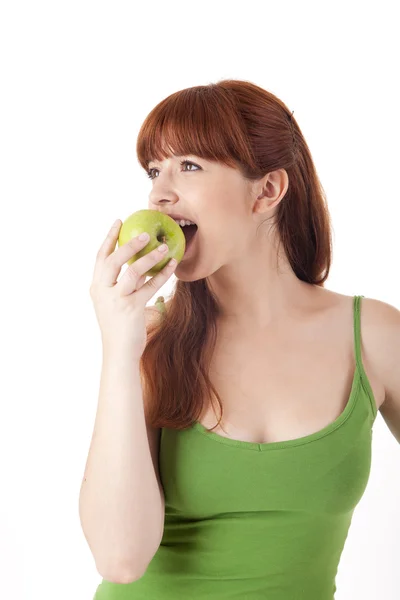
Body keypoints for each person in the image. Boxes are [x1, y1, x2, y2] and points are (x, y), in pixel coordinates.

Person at [82, 79, 400, 599]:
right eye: (153, 171)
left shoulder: (374, 337)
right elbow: (120, 558)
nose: (159, 193)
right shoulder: (150, 340)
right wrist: (120, 346)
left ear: (268, 190)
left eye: (188, 166)